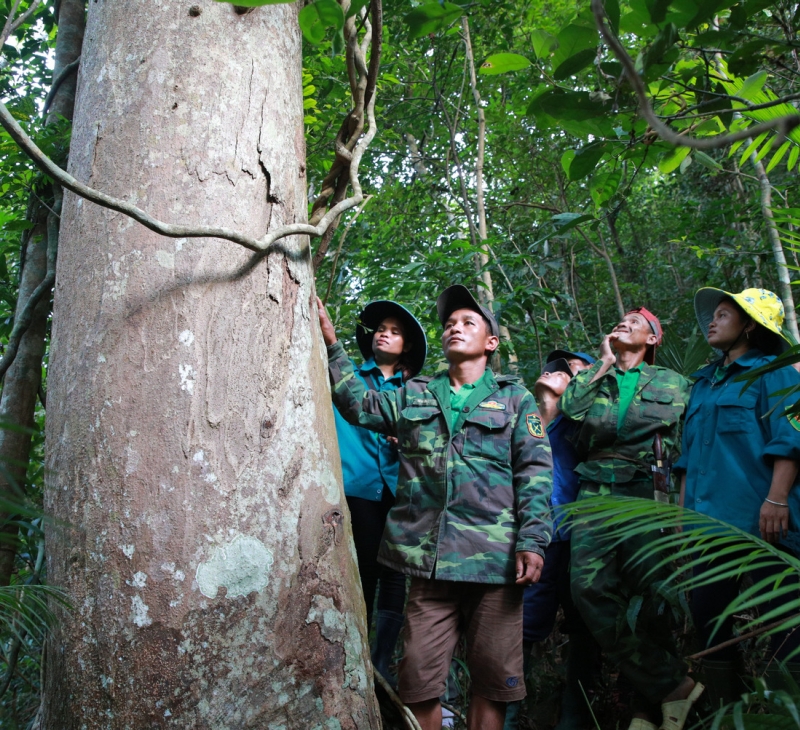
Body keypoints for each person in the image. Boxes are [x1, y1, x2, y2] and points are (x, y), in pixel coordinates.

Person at [317, 285, 553, 730]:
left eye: (468, 323)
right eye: (448, 324)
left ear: (491, 342)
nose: (454, 329)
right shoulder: (417, 393)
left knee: (491, 683)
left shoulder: (515, 400)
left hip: (495, 565)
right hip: (429, 563)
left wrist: (534, 541)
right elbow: (358, 404)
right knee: (418, 681)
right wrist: (333, 345)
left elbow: (536, 473)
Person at [560, 309, 700, 730]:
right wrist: (602, 362)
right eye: (619, 321)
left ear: (653, 340)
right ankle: (673, 684)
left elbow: (686, 445)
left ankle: (649, 708)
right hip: (596, 490)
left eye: (634, 323)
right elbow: (571, 407)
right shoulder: (594, 378)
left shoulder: (675, 383)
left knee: (653, 597)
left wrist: (680, 507)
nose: (622, 324)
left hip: (648, 489)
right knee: (587, 589)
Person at [674, 287, 800, 704]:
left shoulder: (773, 371)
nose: (712, 321)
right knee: (709, 619)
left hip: (764, 521)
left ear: (749, 325)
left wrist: (777, 498)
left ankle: (788, 710)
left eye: (724, 315)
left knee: (785, 621)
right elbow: (689, 456)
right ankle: (725, 709)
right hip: (708, 523)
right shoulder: (704, 383)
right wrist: (681, 514)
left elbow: (791, 437)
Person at [331, 300, 427, 683]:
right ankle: (356, 664)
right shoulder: (347, 376)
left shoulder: (417, 391)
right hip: (356, 489)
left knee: (395, 576)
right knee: (366, 570)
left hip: (401, 494)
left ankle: (380, 666)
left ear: (406, 347)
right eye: (381, 328)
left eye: (396, 330)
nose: (385, 333)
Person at [505, 350, 598, 730]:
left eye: (573, 370)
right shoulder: (521, 421)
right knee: (521, 628)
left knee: (585, 626)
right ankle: (507, 716)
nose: (560, 372)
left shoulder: (587, 426)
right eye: (556, 366)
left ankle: (576, 718)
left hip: (578, 539)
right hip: (530, 540)